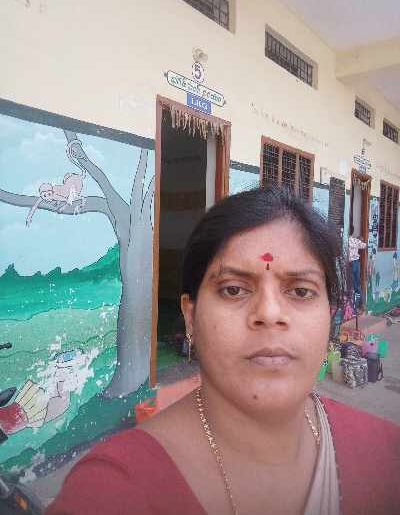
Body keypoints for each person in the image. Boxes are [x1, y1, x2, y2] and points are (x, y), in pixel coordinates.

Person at [47, 188, 400, 515]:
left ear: (330, 315)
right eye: (233, 289)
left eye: (301, 291)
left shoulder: (386, 458)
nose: (270, 313)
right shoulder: (112, 492)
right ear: (191, 317)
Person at [348, 225, 367, 311]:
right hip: (356, 263)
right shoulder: (355, 240)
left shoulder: (345, 240)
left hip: (349, 264)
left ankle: (352, 307)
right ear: (352, 232)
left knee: (350, 285)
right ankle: (359, 305)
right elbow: (364, 246)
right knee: (357, 284)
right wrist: (360, 239)